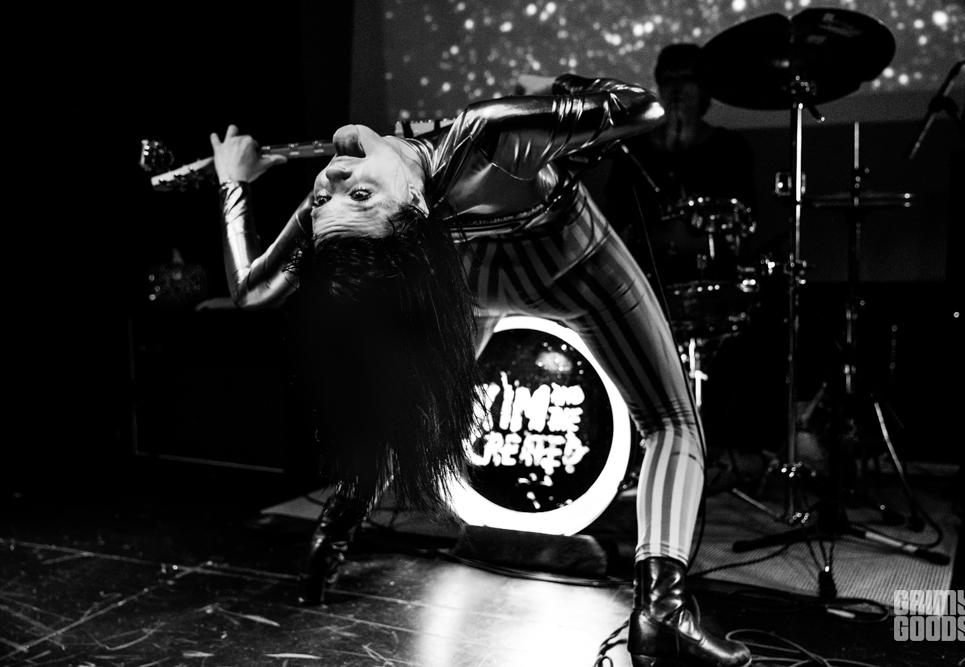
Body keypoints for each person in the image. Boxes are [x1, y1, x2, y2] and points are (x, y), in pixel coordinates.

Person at [210, 73, 750, 667]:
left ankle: (333, 534)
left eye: (327, 200)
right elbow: (643, 108)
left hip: (470, 280)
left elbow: (250, 288)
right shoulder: (484, 136)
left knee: (417, 413)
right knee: (671, 421)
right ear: (416, 211)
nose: (332, 183)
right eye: (355, 195)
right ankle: (662, 613)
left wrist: (234, 182)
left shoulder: (351, 204)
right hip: (571, 266)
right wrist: (563, 97)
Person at [605, 43, 756, 286]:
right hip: (644, 278)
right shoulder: (634, 150)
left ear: (704, 88)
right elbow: (614, 214)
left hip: (714, 276)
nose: (677, 88)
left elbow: (743, 217)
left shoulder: (729, 149)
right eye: (669, 79)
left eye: (687, 78)